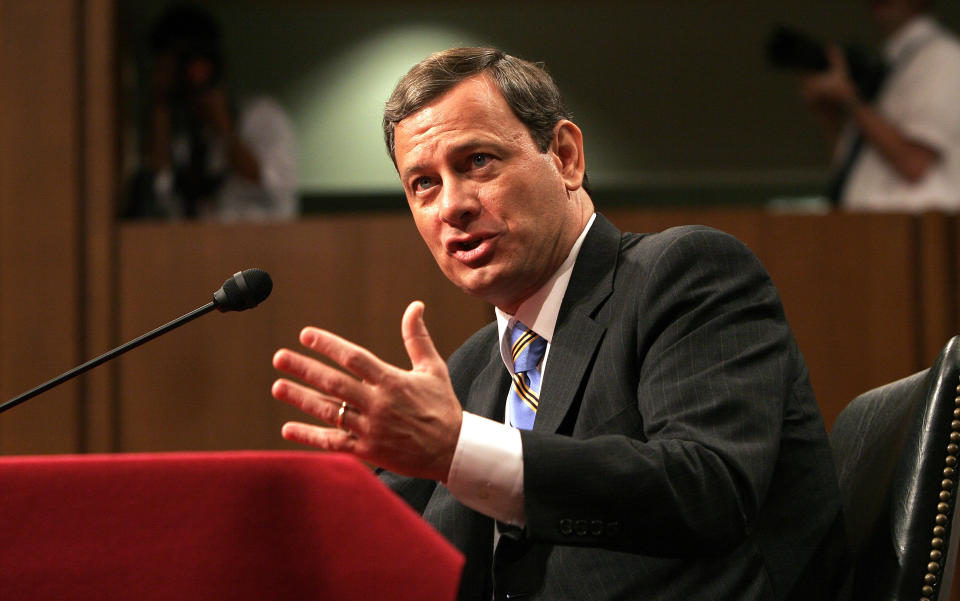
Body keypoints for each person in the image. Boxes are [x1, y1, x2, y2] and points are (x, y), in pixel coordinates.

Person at [271, 47, 847, 600]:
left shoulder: (683, 275)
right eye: (423, 183)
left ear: (566, 157)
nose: (452, 205)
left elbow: (708, 489)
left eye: (477, 161)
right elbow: (379, 547)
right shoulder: (472, 371)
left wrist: (462, 447)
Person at [126, 3, 298, 221]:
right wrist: (160, 104)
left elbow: (274, 186)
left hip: (265, 242)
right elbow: (159, 190)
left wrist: (221, 123)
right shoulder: (179, 131)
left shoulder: (263, 116)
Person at [800, 0, 960, 211]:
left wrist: (849, 99)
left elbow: (914, 164)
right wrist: (829, 113)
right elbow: (851, 170)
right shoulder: (889, 60)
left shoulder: (944, 57)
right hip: (864, 224)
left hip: (912, 228)